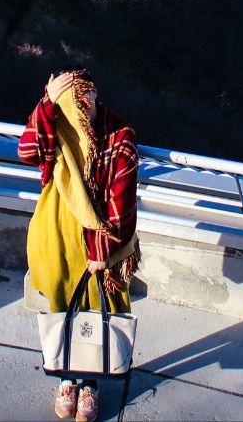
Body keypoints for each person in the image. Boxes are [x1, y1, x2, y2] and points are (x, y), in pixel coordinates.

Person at [18, 71, 140, 422]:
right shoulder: (56, 122)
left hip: (96, 240)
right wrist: (46, 102)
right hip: (55, 235)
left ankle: (91, 383)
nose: (81, 107)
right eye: (73, 100)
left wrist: (103, 251)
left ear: (96, 96)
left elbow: (123, 200)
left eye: (86, 97)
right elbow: (27, 151)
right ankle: (67, 379)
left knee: (94, 311)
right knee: (61, 308)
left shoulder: (118, 135)